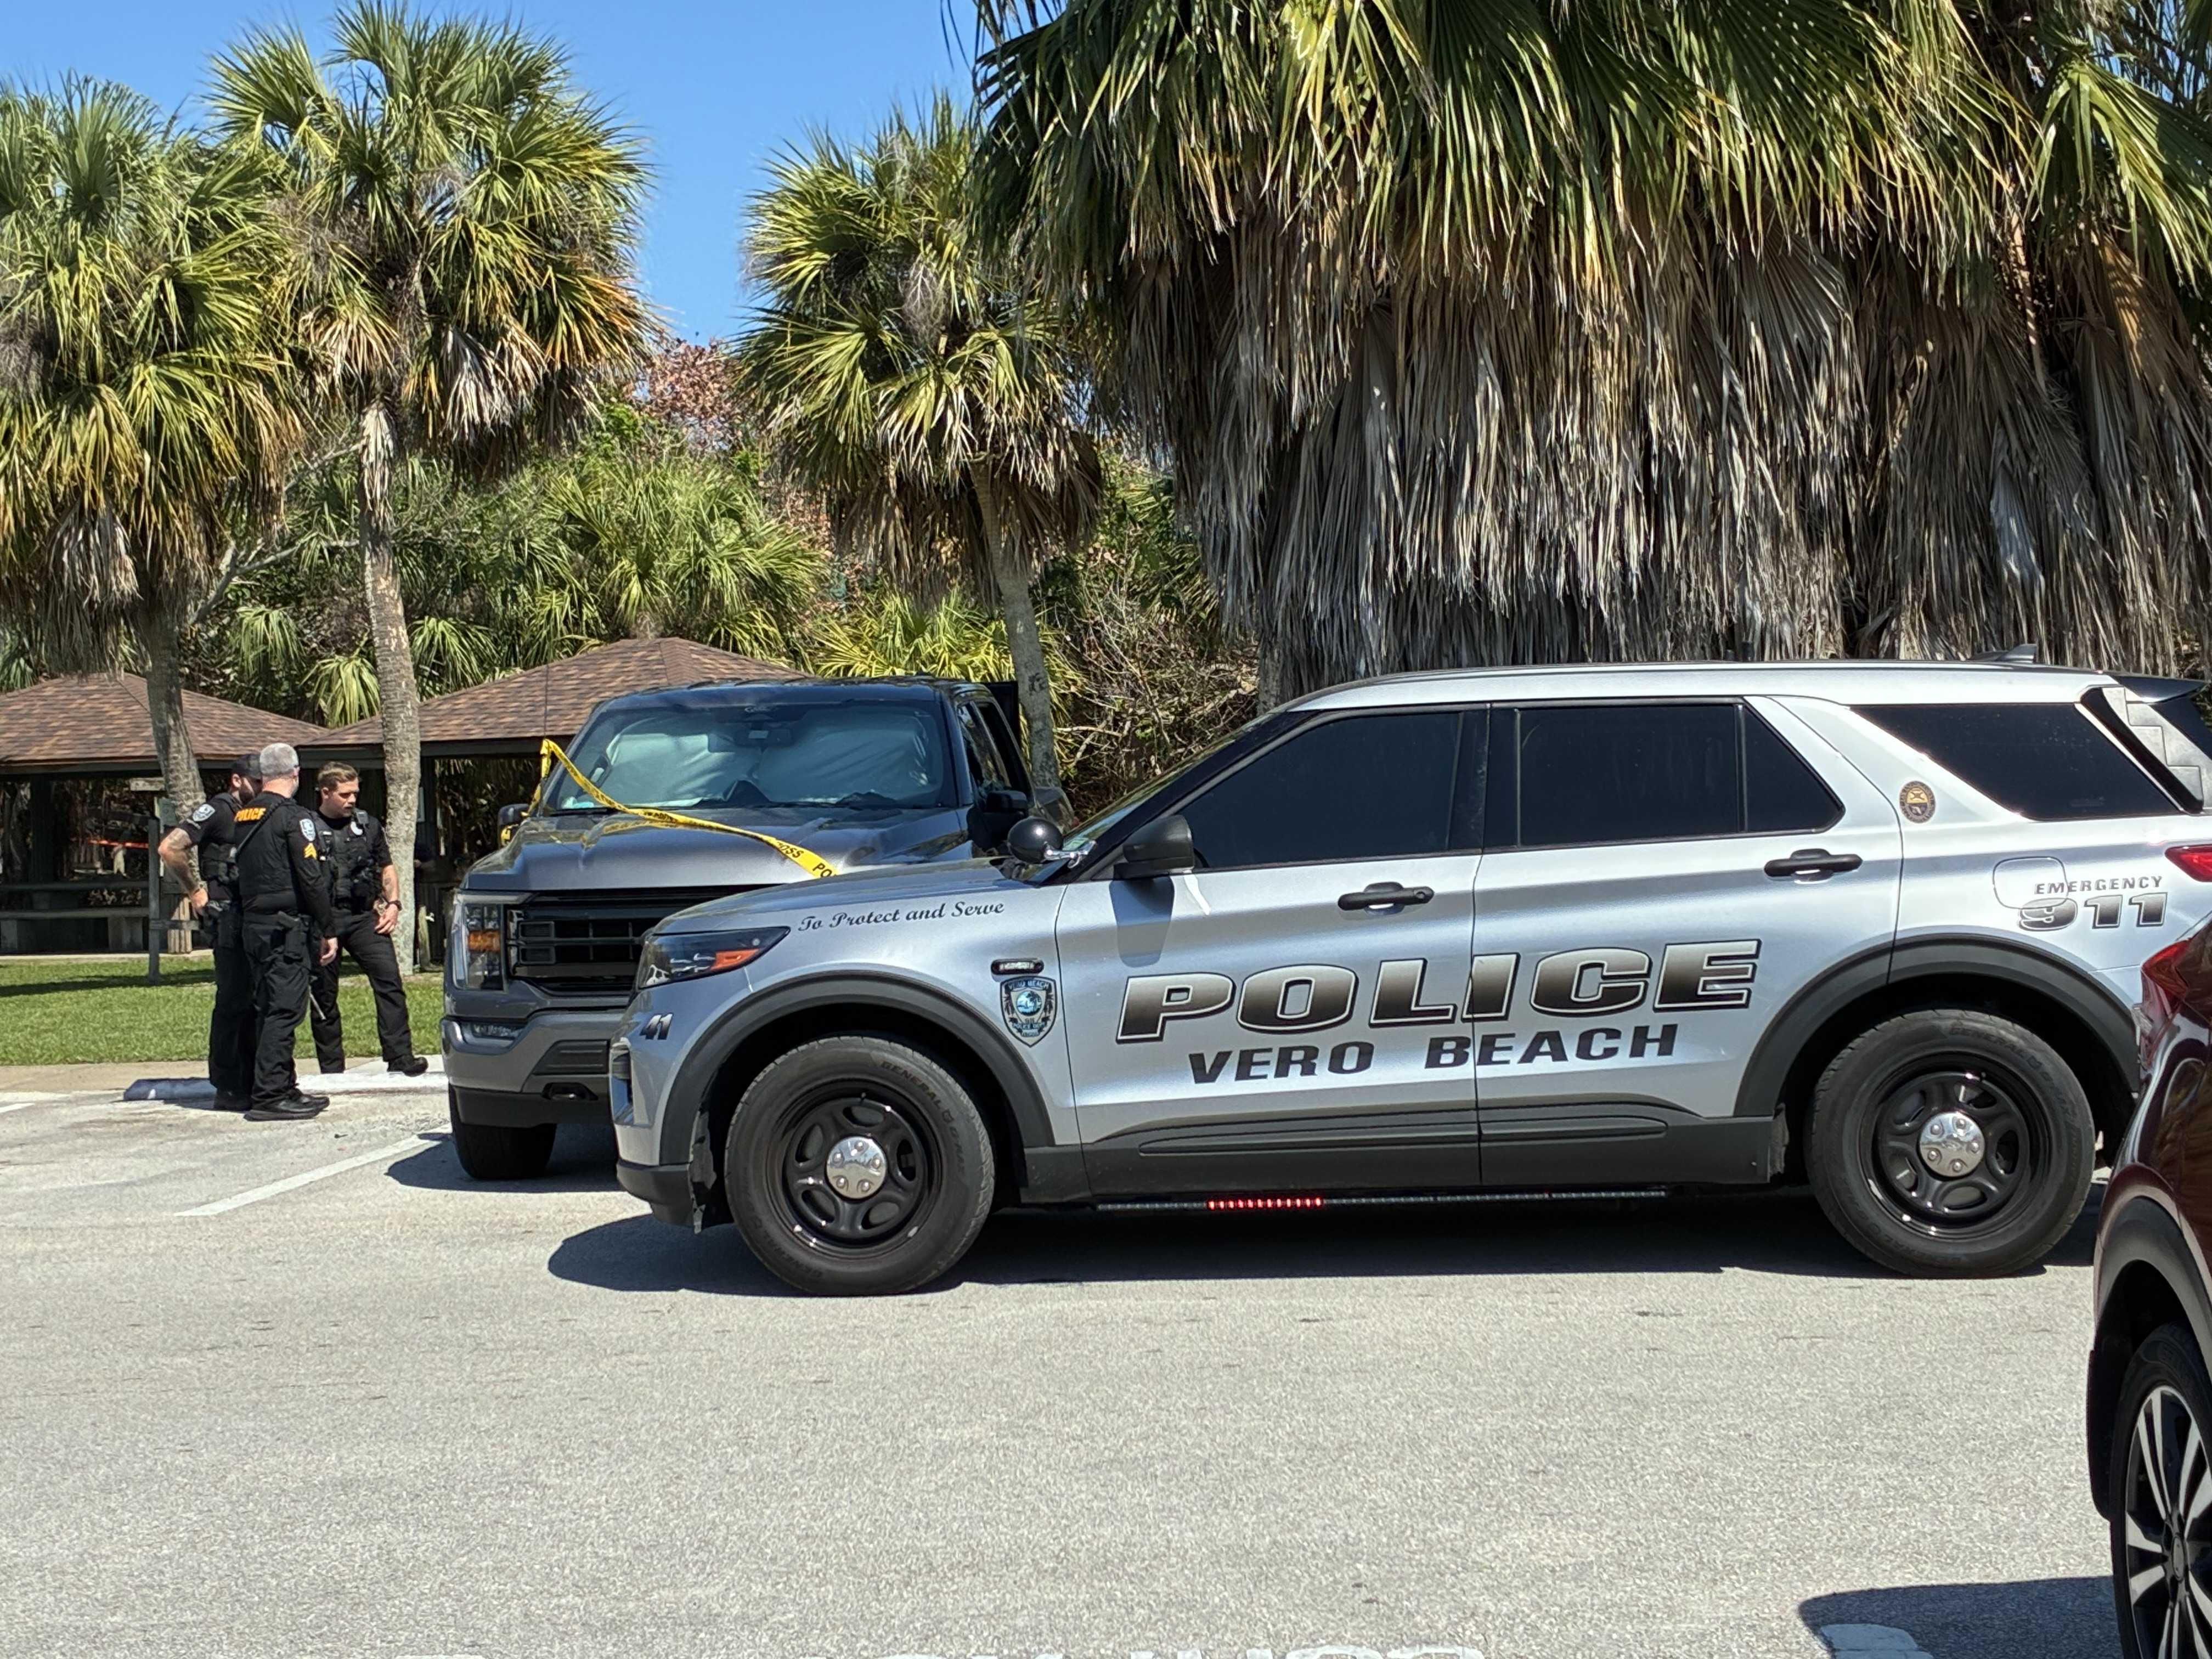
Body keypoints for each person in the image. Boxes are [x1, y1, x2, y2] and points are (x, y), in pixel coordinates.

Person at [234, 742, 341, 1121]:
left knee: (269, 1007)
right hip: (286, 928)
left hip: (255, 925)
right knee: (285, 1009)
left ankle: (282, 1084)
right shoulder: (294, 817)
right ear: (295, 773)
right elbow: (311, 878)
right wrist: (328, 928)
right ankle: (271, 1095)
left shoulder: (245, 815)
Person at [156, 753, 263, 1111]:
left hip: (255, 915)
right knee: (233, 1001)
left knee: (258, 1001)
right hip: (227, 915)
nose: (262, 788)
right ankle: (229, 1084)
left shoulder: (260, 812)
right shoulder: (218, 810)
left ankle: (255, 1079)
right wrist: (195, 891)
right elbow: (170, 847)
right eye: (257, 782)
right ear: (237, 780)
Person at [308, 763, 426, 1076]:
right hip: (324, 919)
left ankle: (400, 1057)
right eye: (345, 794)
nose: (352, 800)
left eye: (355, 794)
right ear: (325, 793)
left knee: (390, 982)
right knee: (324, 995)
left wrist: (394, 904)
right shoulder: (307, 827)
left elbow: (386, 866)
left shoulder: (368, 825)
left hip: (363, 916)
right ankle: (332, 1068)